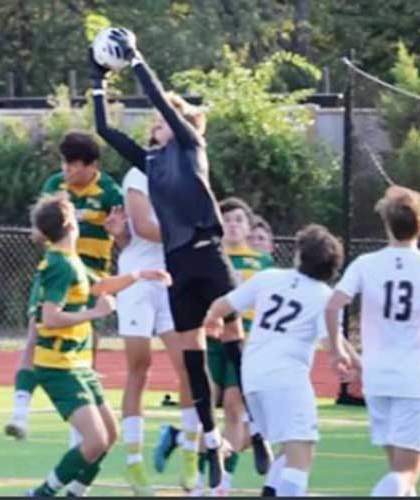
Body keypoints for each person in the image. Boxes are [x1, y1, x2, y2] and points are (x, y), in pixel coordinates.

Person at [90, 29, 242, 490]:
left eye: (167, 119)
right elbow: (104, 130)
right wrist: (97, 79)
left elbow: (160, 100)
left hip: (198, 260)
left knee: (221, 344)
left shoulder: (189, 148)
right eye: (157, 121)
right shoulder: (148, 166)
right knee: (170, 364)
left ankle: (226, 440)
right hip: (164, 271)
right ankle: (183, 451)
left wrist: (136, 61)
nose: (158, 124)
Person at [324, 185, 420, 497]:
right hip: (412, 380)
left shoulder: (366, 264)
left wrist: (336, 351)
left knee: (400, 474)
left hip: (377, 378)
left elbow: (332, 306)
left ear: (386, 223)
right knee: (407, 473)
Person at [25, 193, 169, 497]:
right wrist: (95, 313)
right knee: (94, 441)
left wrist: (140, 275)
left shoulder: (70, 261)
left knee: (110, 434)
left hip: (78, 365)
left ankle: (75, 492)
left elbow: (101, 286)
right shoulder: (59, 265)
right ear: (69, 224)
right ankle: (42, 493)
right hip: (58, 366)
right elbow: (50, 319)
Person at [204, 224, 355, 497]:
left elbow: (220, 306)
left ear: (299, 256)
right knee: (301, 455)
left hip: (252, 377)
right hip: (286, 379)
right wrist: (346, 362)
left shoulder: (269, 277)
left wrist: (212, 321)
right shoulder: (325, 298)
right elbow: (331, 342)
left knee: (287, 449)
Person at [6, 132, 125, 441]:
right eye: (64, 163)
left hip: (91, 280)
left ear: (92, 165)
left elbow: (126, 239)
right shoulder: (54, 186)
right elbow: (40, 228)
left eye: (74, 165)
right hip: (57, 274)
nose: (67, 171)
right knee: (35, 333)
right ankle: (20, 412)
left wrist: (117, 232)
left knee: (85, 353)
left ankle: (81, 433)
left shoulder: (111, 193)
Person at [160, 197, 274, 495]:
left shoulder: (262, 262)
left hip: (243, 341)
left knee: (235, 407)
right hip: (209, 340)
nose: (234, 224)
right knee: (206, 403)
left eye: (240, 219)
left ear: (249, 227)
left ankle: (225, 479)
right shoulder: (210, 256)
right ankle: (198, 472)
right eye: (229, 219)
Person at [112, 165, 192, 495]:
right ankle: (134, 462)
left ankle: (190, 453)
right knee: (139, 367)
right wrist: (193, 230)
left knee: (189, 365)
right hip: (138, 280)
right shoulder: (139, 174)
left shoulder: (188, 172)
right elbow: (144, 227)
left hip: (171, 279)